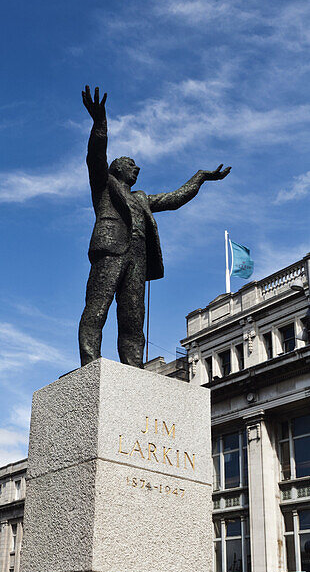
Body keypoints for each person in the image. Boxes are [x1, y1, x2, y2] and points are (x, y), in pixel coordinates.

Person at [78, 85, 230, 367]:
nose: (137, 169)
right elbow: (96, 156)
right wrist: (100, 123)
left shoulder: (142, 198)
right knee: (97, 310)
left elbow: (174, 199)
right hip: (111, 251)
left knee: (133, 319)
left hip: (137, 259)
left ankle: (133, 369)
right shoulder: (104, 185)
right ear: (117, 169)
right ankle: (90, 363)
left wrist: (199, 177)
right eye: (131, 164)